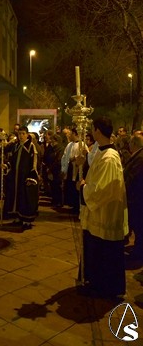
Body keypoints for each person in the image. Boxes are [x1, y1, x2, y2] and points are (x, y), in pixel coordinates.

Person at [78, 116, 128, 298]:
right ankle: (96, 283)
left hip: (105, 214)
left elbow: (101, 191)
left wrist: (83, 187)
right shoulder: (102, 152)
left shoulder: (109, 158)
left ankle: (104, 288)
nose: (91, 131)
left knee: (104, 253)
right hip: (98, 213)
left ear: (98, 130)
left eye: (93, 128)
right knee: (96, 250)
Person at [3, 126, 39, 230]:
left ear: (27, 134)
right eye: (19, 134)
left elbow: (34, 163)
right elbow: (12, 161)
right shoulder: (16, 146)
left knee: (26, 199)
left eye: (23, 133)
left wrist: (31, 177)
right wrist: (7, 166)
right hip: (16, 178)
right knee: (17, 197)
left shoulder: (31, 146)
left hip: (25, 178)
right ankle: (18, 217)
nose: (21, 136)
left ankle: (27, 220)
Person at [123, 132, 143, 268]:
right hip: (134, 198)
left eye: (130, 143)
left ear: (134, 144)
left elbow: (133, 177)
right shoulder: (137, 156)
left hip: (137, 198)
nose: (128, 145)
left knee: (138, 226)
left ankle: (139, 252)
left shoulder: (140, 158)